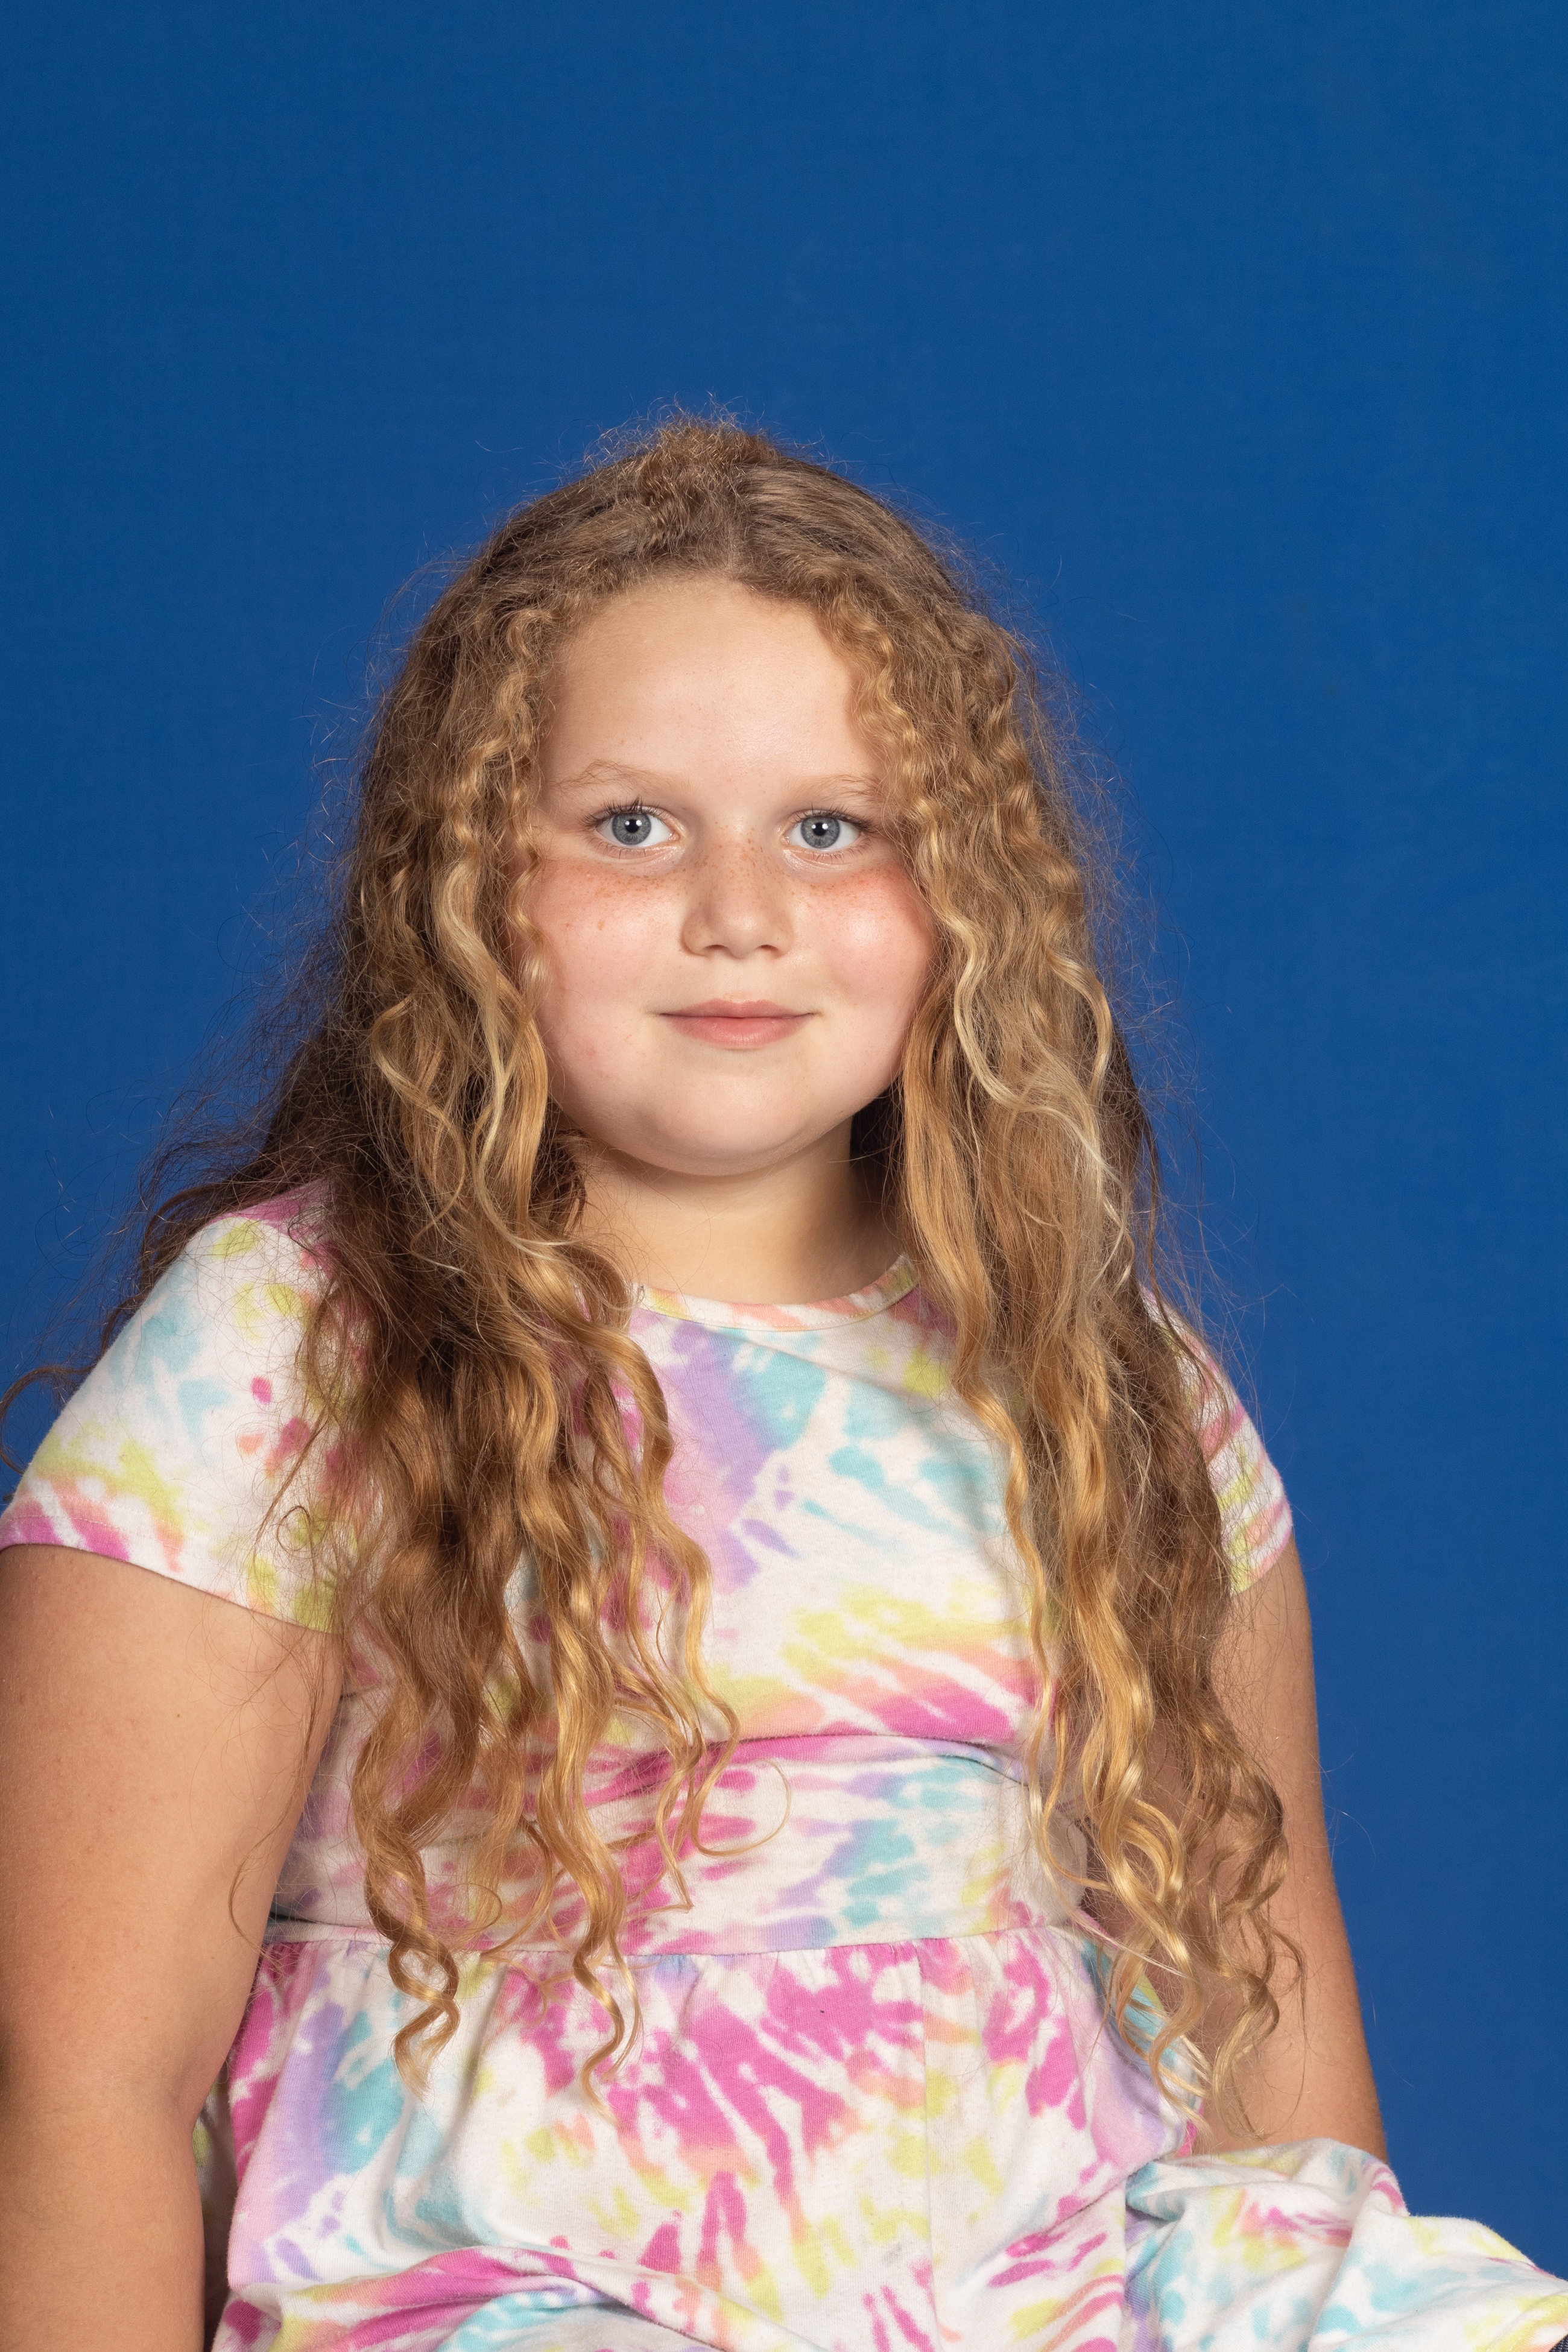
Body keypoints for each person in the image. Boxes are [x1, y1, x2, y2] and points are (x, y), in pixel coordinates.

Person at [1, 421, 1563, 2352]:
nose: (738, 909)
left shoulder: (1103, 1382)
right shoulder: (292, 1348)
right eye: (632, 825)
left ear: (963, 896)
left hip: (1057, 2286)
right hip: (522, 2296)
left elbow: (1270, 2048)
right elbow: (89, 2086)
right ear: (471, 881)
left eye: (831, 829)